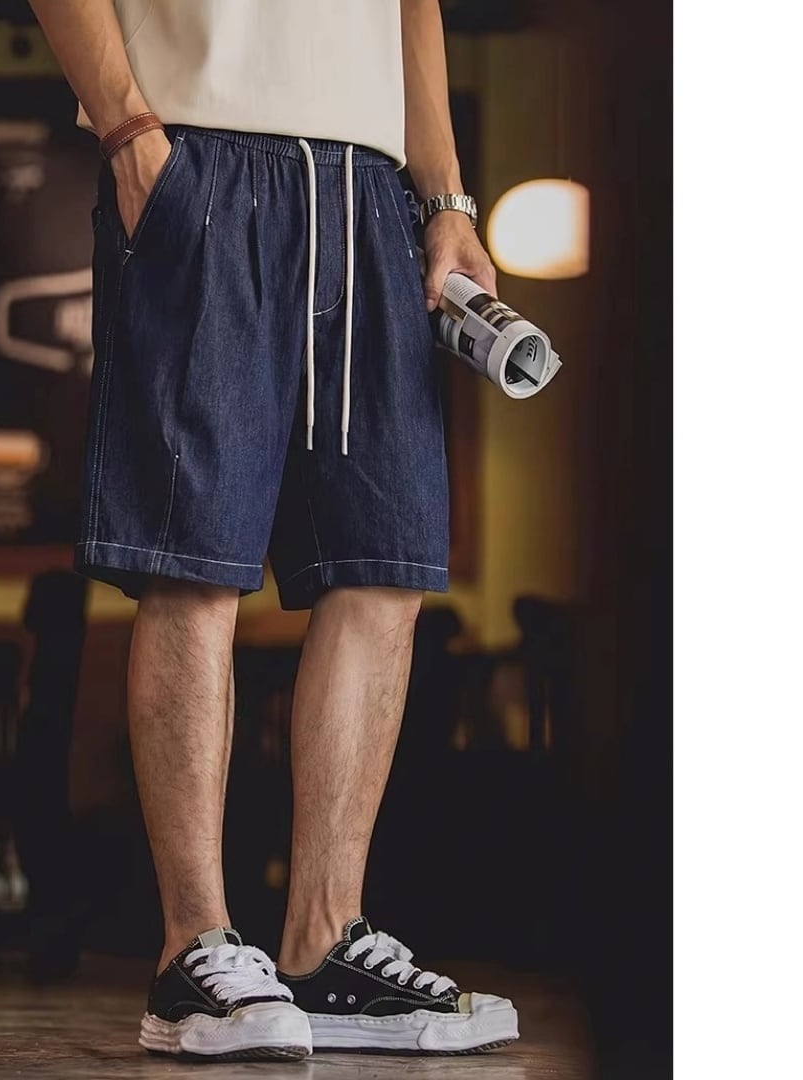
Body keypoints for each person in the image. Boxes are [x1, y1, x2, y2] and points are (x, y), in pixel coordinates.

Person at [29, 0, 518, 1061]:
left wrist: (445, 199)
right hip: (198, 154)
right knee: (193, 562)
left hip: (376, 194)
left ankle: (324, 942)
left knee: (381, 567)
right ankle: (192, 951)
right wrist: (128, 131)